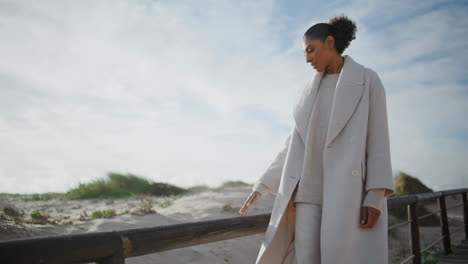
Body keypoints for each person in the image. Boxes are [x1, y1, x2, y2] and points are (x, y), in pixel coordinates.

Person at [239, 14, 395, 264]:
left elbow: (379, 140)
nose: (308, 58)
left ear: (330, 42)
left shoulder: (368, 80)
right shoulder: (306, 92)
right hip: (307, 194)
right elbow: (294, 144)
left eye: (311, 50)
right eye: (305, 53)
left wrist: (375, 195)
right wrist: (264, 184)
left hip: (348, 193)